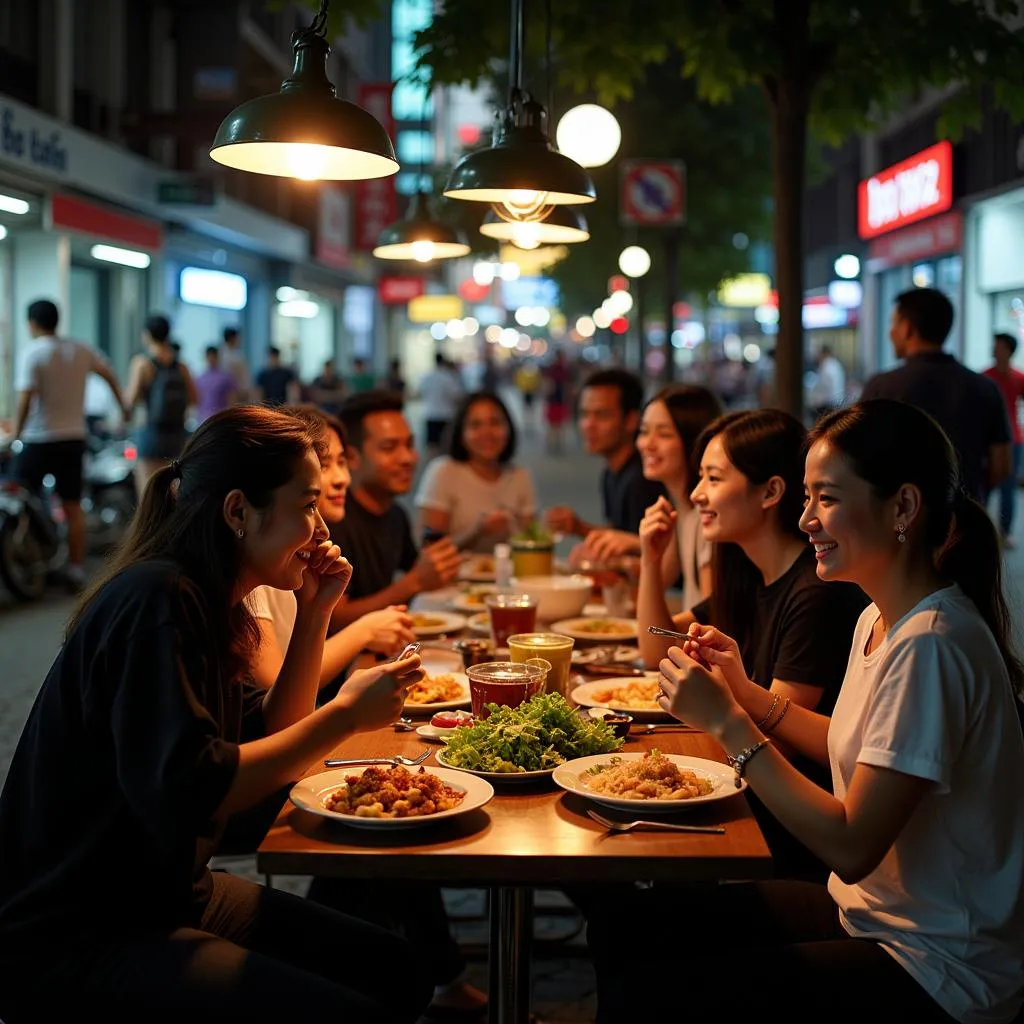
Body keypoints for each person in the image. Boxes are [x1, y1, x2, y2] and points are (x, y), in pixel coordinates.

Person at [589, 399, 1024, 1024]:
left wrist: (728, 724)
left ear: (902, 507)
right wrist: (744, 688)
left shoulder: (932, 643)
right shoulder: (879, 614)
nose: (807, 519)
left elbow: (851, 845)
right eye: (806, 497)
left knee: (650, 992)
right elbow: (844, 744)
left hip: (938, 965)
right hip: (867, 914)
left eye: (826, 498)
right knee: (626, 921)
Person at [0, 405, 433, 1023]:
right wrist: (343, 715)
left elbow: (276, 738)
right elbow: (197, 787)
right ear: (237, 511)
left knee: (396, 968)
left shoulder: (215, 598)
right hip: (81, 927)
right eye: (306, 506)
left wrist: (313, 615)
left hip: (168, 893)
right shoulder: (160, 597)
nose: (318, 529)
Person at [244, 405, 486, 1020]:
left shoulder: (276, 567)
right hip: (127, 898)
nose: (335, 486)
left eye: (341, 461)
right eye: (314, 486)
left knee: (398, 804)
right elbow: (209, 777)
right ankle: (437, 969)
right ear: (240, 510)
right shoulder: (186, 597)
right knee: (388, 813)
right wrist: (348, 709)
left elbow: (278, 723)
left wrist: (325, 610)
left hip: (243, 795)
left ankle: (439, 967)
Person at [637, 407, 868, 879]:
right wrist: (649, 559)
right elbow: (654, 647)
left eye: (713, 478)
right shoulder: (750, 576)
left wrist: (724, 707)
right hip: (763, 802)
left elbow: (774, 752)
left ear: (770, 491)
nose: (697, 494)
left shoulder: (818, 595)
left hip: (789, 827)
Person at [248, 405, 415, 690]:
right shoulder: (261, 565)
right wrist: (364, 631)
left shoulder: (304, 553)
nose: (343, 479)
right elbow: (275, 687)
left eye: (342, 461)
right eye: (324, 465)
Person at [10, 298, 127, 590]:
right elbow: (109, 374)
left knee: (18, 497)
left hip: (38, 439)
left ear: (32, 323)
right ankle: (75, 569)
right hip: (74, 438)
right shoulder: (80, 349)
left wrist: (16, 433)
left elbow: (25, 399)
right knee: (73, 506)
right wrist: (122, 406)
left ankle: (34, 557)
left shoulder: (33, 352)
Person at [860, 287, 1011, 503]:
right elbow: (1001, 466)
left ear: (908, 329)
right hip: (967, 519)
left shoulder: (882, 387)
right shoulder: (985, 387)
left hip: (900, 521)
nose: (891, 332)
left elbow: (861, 457)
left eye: (894, 323)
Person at [328, 390, 461, 629]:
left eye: (409, 444)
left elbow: (418, 568)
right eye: (390, 447)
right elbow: (334, 619)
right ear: (352, 457)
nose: (407, 458)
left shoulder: (395, 514)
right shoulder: (334, 521)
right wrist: (415, 582)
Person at [544, 368, 666, 561]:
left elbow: (651, 551)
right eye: (584, 414)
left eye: (602, 415)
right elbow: (618, 534)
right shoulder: (612, 470)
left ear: (631, 420)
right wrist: (578, 527)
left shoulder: (642, 479)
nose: (588, 425)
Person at [633, 384, 723, 631]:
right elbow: (657, 582)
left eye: (663, 434)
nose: (646, 444)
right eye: (644, 431)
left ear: (694, 440)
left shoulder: (709, 517)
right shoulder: (682, 509)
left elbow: (712, 625)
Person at [415, 391, 536, 553]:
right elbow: (429, 549)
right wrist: (477, 531)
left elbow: (531, 543)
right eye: (475, 425)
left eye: (495, 423)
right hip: (455, 576)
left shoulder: (520, 476)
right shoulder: (443, 472)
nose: (487, 433)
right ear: (461, 433)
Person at [124, 313, 196, 499]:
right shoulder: (181, 366)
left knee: (148, 494)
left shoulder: (143, 363)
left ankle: (151, 528)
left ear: (147, 335)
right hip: (177, 435)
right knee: (173, 492)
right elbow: (195, 398)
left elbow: (129, 401)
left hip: (151, 433)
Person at [983, 331, 1024, 547]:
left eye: (998, 346)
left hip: (1013, 441)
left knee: (1008, 489)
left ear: (1008, 350)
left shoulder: (1018, 377)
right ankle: (979, 531)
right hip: (987, 441)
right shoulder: (985, 377)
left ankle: (1005, 532)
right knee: (984, 486)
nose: (994, 349)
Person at [414, 353, 465, 458]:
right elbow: (457, 396)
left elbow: (418, 393)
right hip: (446, 415)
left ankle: (432, 467)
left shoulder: (427, 377)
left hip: (430, 414)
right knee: (446, 445)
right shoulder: (448, 377)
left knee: (432, 446)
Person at [193, 345, 236, 424]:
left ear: (217, 357)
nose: (211, 359)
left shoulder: (225, 377)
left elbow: (231, 398)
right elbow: (197, 399)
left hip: (221, 416)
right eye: (209, 356)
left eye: (213, 356)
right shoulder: (200, 378)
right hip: (203, 417)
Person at [542, 349, 571, 455]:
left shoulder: (559, 368)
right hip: (555, 400)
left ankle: (554, 445)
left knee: (556, 425)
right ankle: (554, 444)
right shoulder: (559, 369)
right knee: (555, 425)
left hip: (557, 400)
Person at [807, 343, 846, 421]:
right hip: (838, 402)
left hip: (827, 404)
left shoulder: (825, 365)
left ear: (824, 353)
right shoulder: (836, 364)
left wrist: (814, 402)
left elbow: (823, 388)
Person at [220, 326, 251, 403]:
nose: (239, 340)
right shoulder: (225, 355)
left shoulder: (237, 354)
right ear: (232, 338)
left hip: (238, 392)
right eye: (237, 338)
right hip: (232, 393)